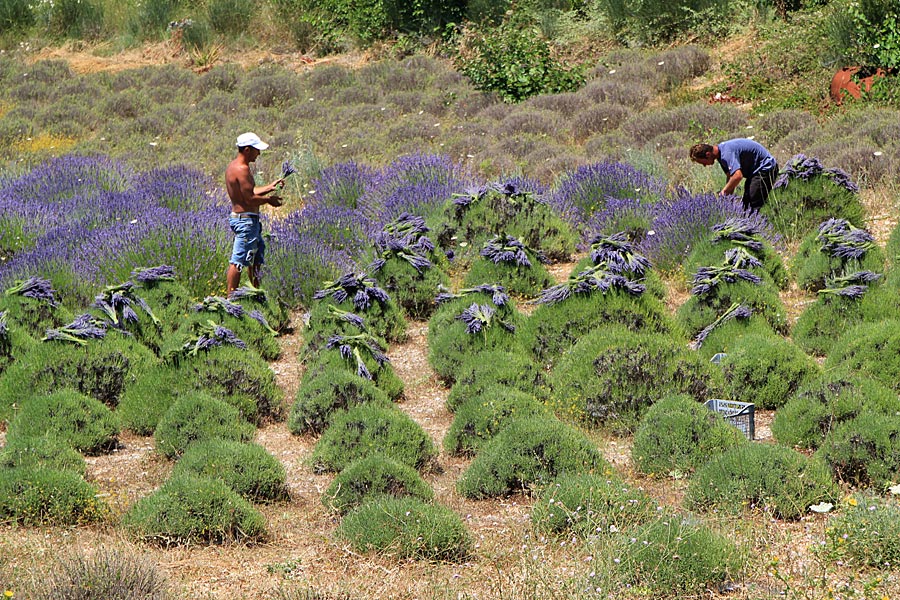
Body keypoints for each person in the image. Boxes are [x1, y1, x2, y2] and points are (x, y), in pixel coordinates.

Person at [225, 132, 284, 296]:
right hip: (246, 221)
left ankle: (256, 293)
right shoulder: (242, 170)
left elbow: (248, 192)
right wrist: (269, 201)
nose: (259, 153)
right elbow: (249, 199)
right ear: (247, 150)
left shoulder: (233, 167)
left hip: (247, 220)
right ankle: (230, 300)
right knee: (238, 261)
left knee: (256, 258)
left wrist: (270, 187)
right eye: (256, 150)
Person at [690, 139, 780, 212]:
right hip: (755, 173)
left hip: (766, 168)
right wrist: (726, 199)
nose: (705, 165)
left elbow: (737, 176)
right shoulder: (721, 155)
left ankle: (759, 229)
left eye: (703, 163)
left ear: (708, 154)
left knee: (752, 205)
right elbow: (730, 177)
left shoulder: (726, 154)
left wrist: (723, 192)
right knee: (746, 205)